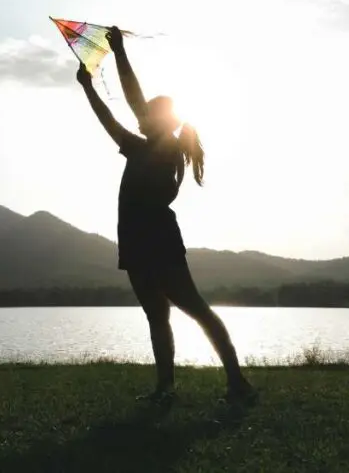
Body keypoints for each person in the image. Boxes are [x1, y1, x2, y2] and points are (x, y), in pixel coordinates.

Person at [76, 28, 255, 405]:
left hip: (156, 240)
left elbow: (128, 100)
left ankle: (237, 382)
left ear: (162, 121)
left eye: (147, 115)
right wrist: (89, 88)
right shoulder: (143, 147)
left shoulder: (165, 150)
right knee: (158, 316)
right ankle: (166, 388)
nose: (140, 118)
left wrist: (119, 53)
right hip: (138, 240)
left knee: (195, 309)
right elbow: (109, 116)